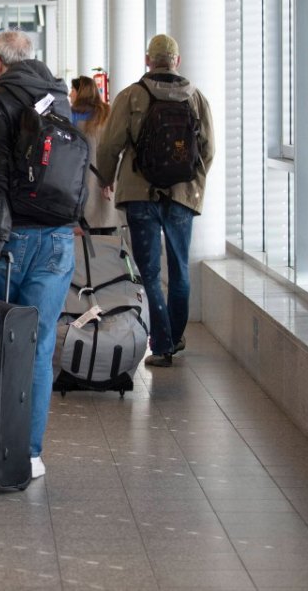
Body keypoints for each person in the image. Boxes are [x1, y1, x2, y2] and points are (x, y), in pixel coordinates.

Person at [0, 29, 84, 482]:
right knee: (38, 347)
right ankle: (30, 453)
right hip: (58, 236)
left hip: (10, 239)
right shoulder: (59, 95)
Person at [95, 34, 215, 367]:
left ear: (149, 60)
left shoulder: (132, 96)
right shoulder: (197, 99)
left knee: (149, 271)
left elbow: (109, 146)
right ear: (177, 60)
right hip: (181, 195)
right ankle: (175, 337)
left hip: (139, 193)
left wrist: (106, 178)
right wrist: (192, 182)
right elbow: (208, 149)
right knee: (179, 269)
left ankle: (161, 344)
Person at [70, 76, 121, 231]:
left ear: (80, 92)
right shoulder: (108, 113)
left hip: (83, 179)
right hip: (108, 177)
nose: (70, 93)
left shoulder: (73, 116)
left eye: (72, 90)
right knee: (107, 225)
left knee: (88, 229)